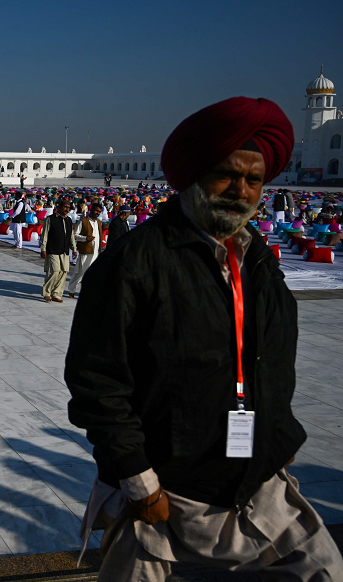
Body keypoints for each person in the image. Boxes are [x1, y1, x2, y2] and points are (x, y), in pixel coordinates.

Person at [65, 97, 343, 581]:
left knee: (321, 568)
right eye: (226, 175)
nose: (240, 190)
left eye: (253, 180)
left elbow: (274, 352)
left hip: (254, 480)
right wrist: (139, 481)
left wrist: (280, 432)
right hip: (166, 487)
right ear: (193, 175)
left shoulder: (257, 259)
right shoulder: (136, 259)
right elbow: (97, 379)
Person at [40, 199, 76, 303]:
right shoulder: (50, 219)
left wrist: (74, 249)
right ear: (59, 207)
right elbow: (45, 234)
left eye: (68, 208)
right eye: (65, 207)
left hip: (64, 250)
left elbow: (71, 236)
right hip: (53, 249)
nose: (67, 209)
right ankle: (47, 292)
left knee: (63, 272)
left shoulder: (68, 220)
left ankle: (57, 294)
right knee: (54, 271)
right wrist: (43, 248)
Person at [66, 202, 103, 299]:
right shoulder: (83, 221)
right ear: (91, 210)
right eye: (96, 210)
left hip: (96, 252)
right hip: (86, 252)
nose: (98, 213)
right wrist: (86, 238)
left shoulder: (99, 222)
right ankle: (71, 289)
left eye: (99, 211)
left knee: (94, 274)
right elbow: (75, 235)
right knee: (80, 273)